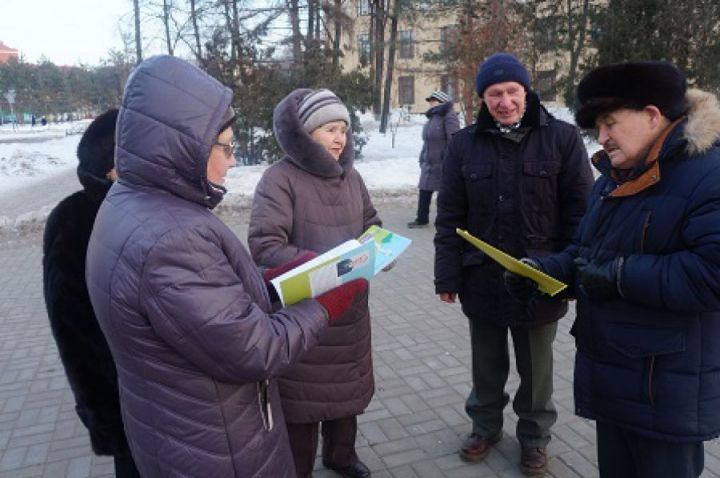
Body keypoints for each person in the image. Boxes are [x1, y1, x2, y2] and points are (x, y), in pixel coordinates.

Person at [85, 56, 367, 478]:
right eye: (226, 147)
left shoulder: (136, 202)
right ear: (185, 145)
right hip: (218, 444)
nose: (233, 160)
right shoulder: (172, 238)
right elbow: (256, 349)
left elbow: (206, 306)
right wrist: (326, 300)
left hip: (186, 428)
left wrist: (271, 284)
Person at [505, 61, 720, 478]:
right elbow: (588, 254)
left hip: (666, 392)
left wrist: (621, 275)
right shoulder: (615, 175)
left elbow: (712, 273)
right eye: (597, 127)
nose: (601, 138)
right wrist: (540, 273)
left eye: (610, 123)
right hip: (616, 379)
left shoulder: (708, 173)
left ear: (653, 115)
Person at [434, 52, 594, 475]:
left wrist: (569, 273)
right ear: (482, 99)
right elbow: (449, 216)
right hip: (481, 279)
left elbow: (582, 215)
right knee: (486, 366)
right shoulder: (464, 144)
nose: (504, 101)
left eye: (511, 91)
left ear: (526, 92)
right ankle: (485, 427)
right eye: (494, 94)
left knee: (537, 372)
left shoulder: (562, 139)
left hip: (541, 279)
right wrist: (446, 275)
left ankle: (534, 439)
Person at [248, 89, 380, 478]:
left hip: (351, 310)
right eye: (330, 129)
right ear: (306, 133)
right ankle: (297, 468)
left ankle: (341, 455)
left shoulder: (351, 177)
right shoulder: (279, 179)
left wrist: (377, 244)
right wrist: (328, 268)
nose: (340, 138)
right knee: (302, 401)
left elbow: (371, 222)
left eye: (344, 129)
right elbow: (264, 245)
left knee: (347, 391)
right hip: (305, 311)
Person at [42, 108, 139, 478]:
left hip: (174, 405)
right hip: (124, 405)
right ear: (112, 165)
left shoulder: (159, 209)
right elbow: (71, 328)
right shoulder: (74, 219)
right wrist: (106, 415)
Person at [407, 90, 460, 228]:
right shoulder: (432, 118)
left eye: (433, 100)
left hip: (442, 163)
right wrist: (422, 157)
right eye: (430, 100)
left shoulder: (449, 116)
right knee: (424, 190)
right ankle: (422, 219)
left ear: (441, 102)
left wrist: (449, 161)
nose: (430, 103)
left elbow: (453, 141)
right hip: (428, 163)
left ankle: (447, 221)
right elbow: (427, 141)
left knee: (444, 195)